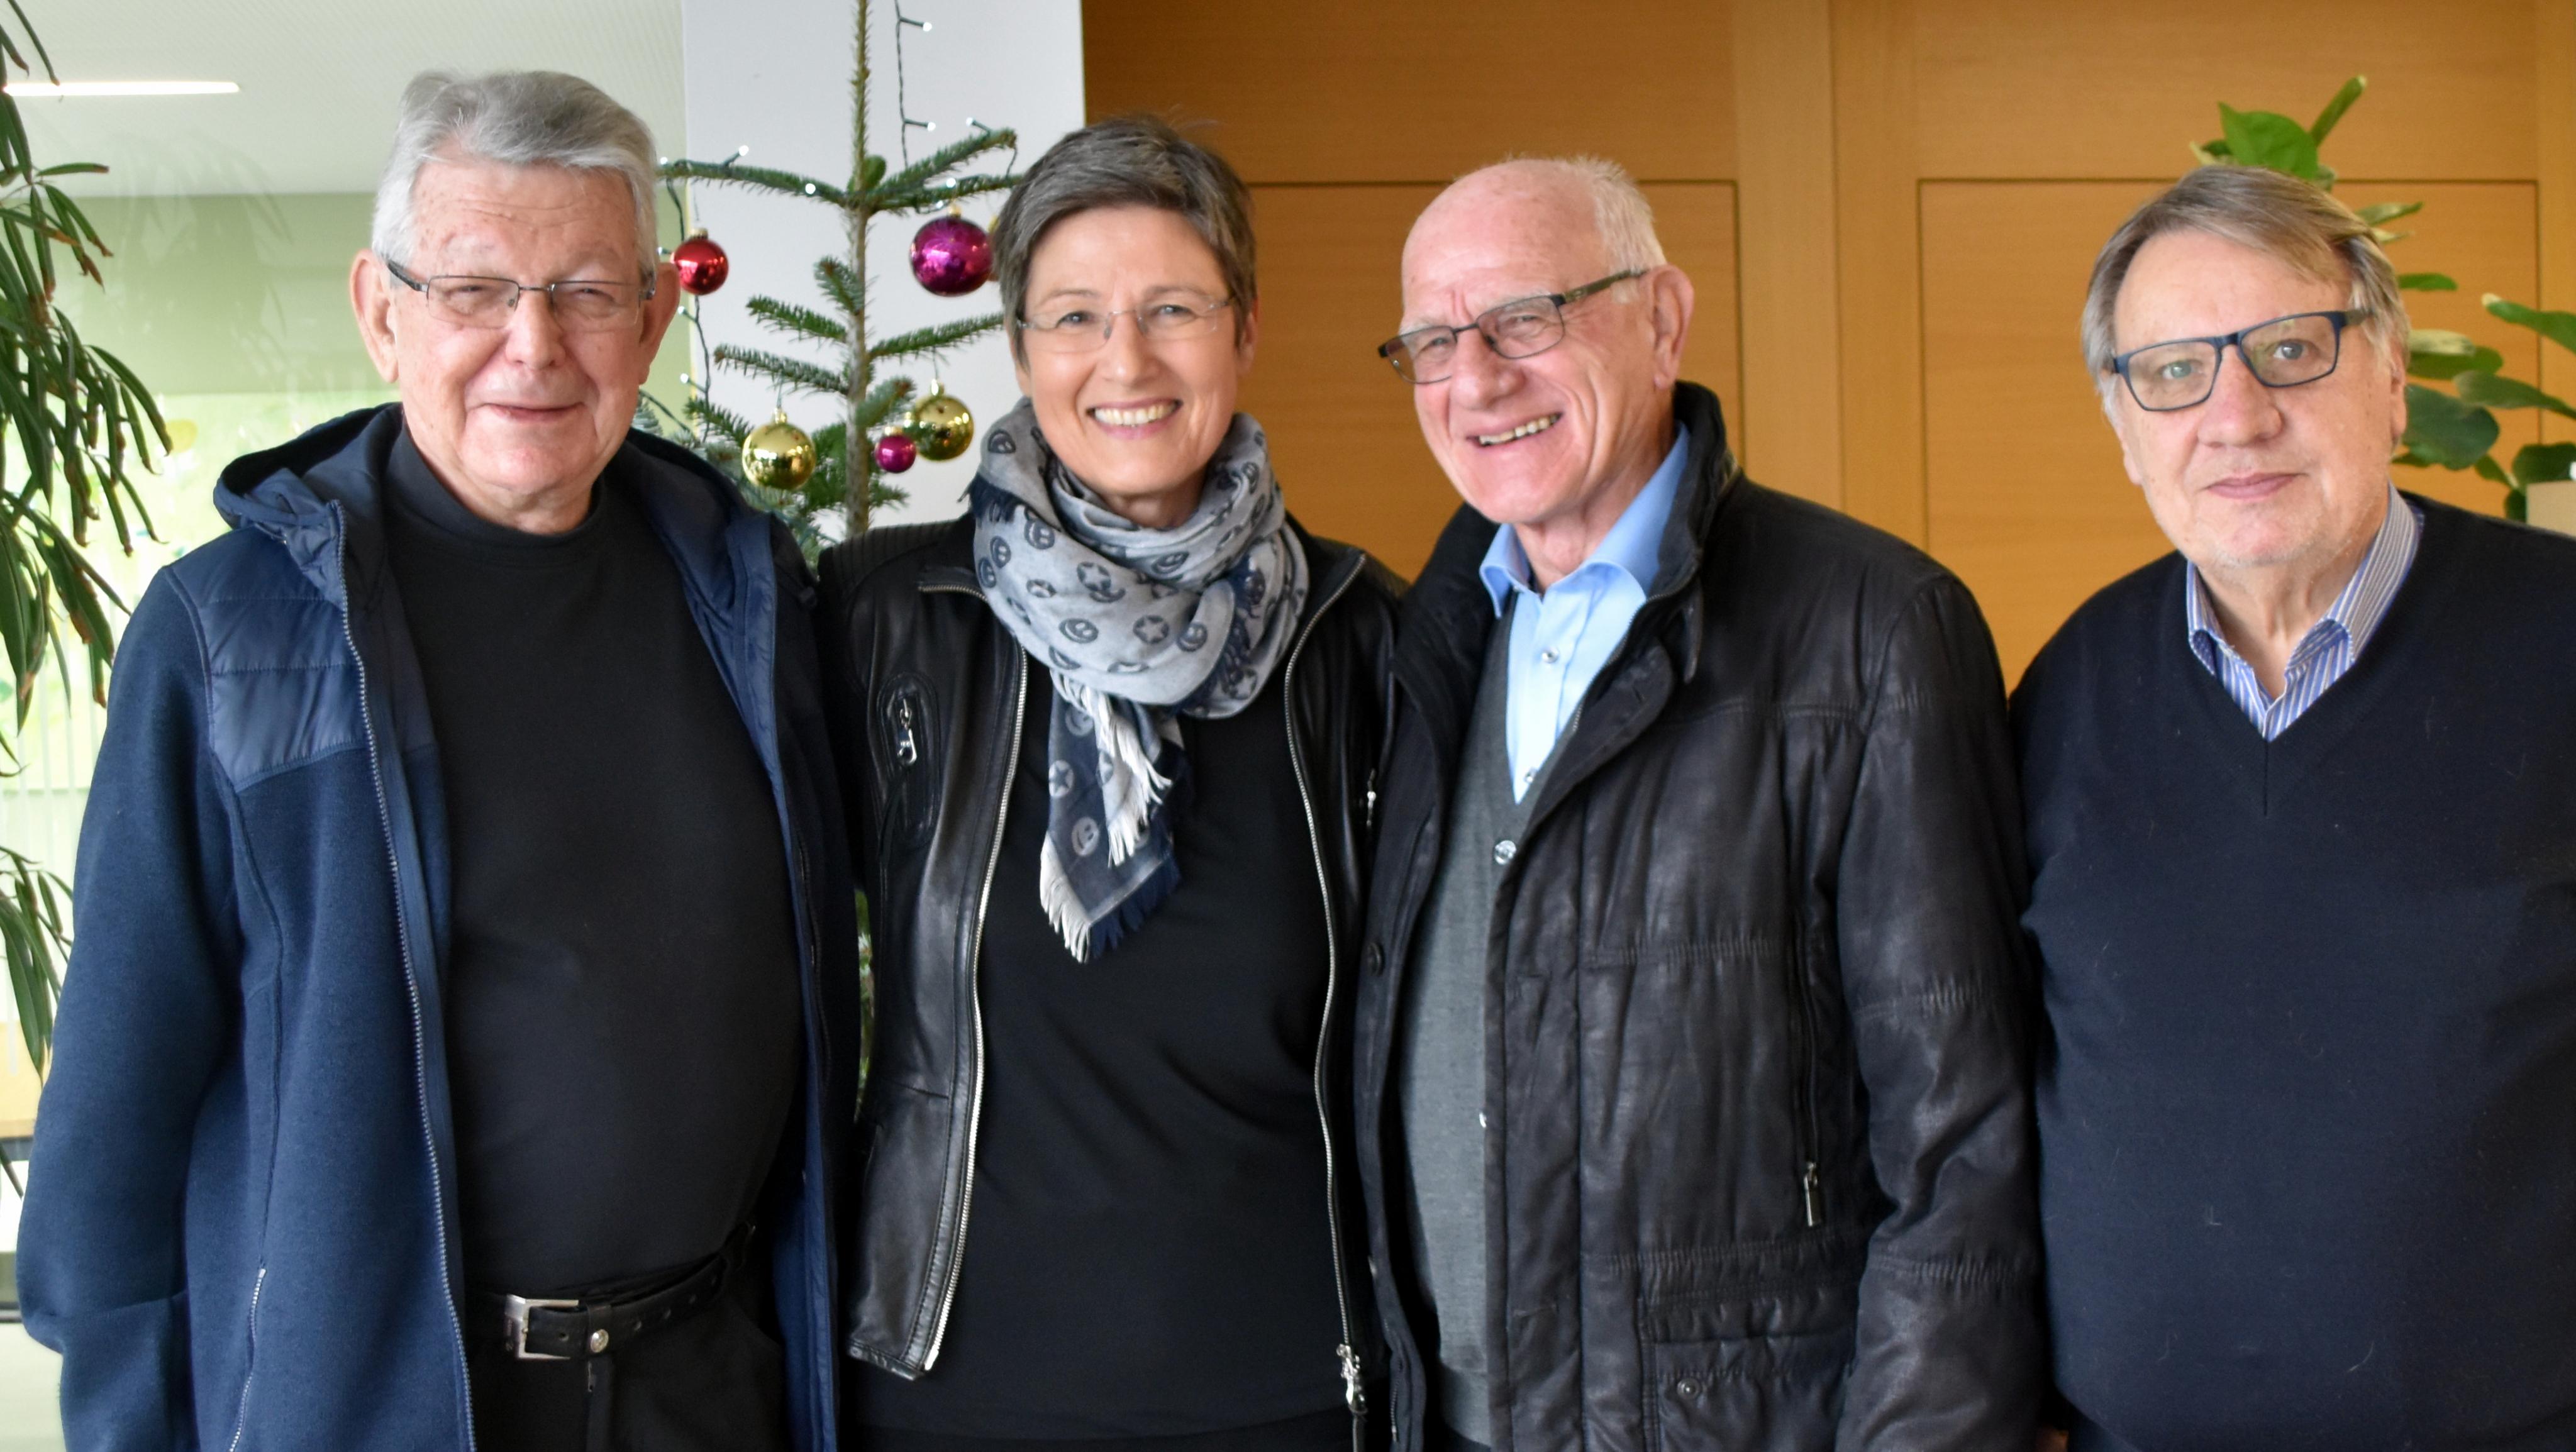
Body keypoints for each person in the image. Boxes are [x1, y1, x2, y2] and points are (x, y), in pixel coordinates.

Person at [18, 71, 860, 1452]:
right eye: (474, 291)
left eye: (587, 293)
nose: (534, 346)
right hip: (386, 1404)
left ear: (653, 317)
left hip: (711, 1388)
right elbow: (119, 1097)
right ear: (382, 311)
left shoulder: (747, 600)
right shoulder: (230, 634)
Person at [1353, 156, 2043, 1452]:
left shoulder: (1873, 631)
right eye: (1433, 342)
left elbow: (1962, 1149)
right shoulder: (1418, 646)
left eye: (1524, 318)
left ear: (1661, 318)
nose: (1476, 380)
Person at [819, 115, 1396, 1452]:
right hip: (954, 1396)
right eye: (1075, 316)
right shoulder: (887, 623)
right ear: (1021, 347)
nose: (1125, 361)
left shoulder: (1359, 641)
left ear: (1245, 330)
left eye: (1172, 309)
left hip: (1290, 1396)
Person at [2017, 163, 2576, 1450]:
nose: (2235, 415)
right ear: (2124, 429)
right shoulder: (2061, 694)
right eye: (2172, 372)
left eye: (2288, 349)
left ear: (2391, 375)